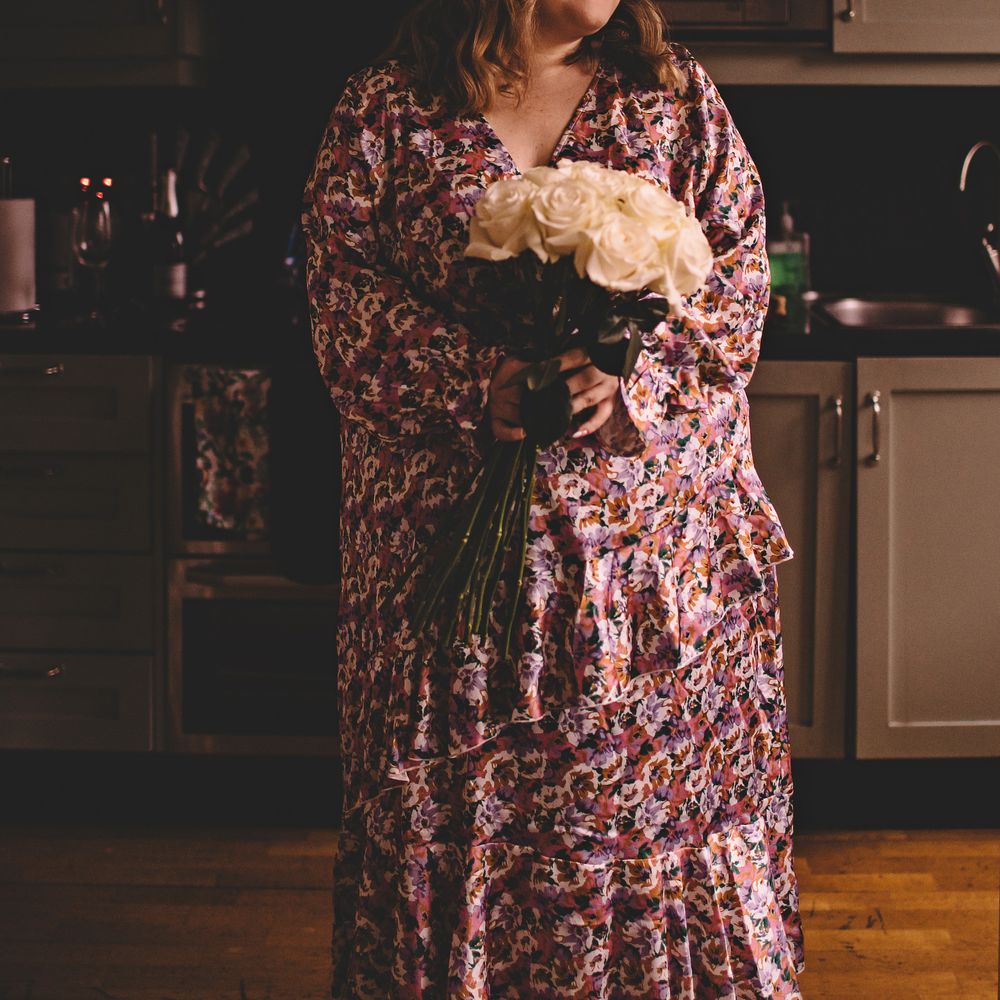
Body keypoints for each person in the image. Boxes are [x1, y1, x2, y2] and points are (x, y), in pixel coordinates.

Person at [300, 1, 805, 996]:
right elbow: (340, 295)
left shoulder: (670, 97)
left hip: (642, 587)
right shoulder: (386, 108)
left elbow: (738, 283)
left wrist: (630, 374)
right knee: (456, 815)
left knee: (637, 827)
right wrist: (473, 382)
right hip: (450, 572)